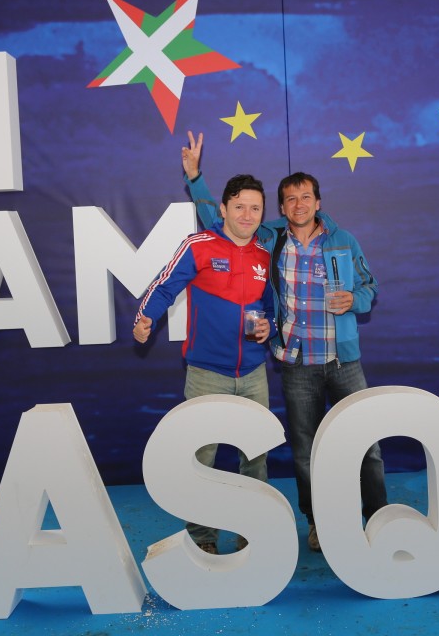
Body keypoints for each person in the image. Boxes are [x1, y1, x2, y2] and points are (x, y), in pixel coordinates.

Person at [181, 131, 387, 553]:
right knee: (305, 453)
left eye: (306, 197)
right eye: (290, 199)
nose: (299, 204)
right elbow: (218, 218)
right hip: (296, 365)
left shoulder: (343, 240)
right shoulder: (269, 238)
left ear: (318, 202)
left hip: (343, 361)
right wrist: (195, 177)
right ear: (281, 208)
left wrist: (355, 300)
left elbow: (370, 287)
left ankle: (380, 520)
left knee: (367, 446)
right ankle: (317, 523)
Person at [134, 173, 277, 555]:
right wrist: (146, 317)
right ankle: (203, 539)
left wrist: (270, 326)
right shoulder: (199, 245)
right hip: (206, 374)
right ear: (223, 208)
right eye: (240, 206)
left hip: (254, 374)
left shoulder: (265, 254)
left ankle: (252, 532)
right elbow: (164, 286)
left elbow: (272, 308)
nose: (247, 214)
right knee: (202, 459)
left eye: (255, 208)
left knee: (256, 457)